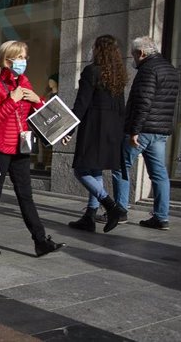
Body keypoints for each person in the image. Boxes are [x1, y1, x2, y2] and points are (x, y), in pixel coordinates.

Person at [0, 40, 65, 257]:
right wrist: (11, 100)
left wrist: (39, 100)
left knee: (26, 196)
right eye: (18, 58)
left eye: (24, 58)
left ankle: (40, 240)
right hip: (0, 147)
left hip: (21, 148)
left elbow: (41, 116)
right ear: (6, 60)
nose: (22, 62)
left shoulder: (25, 84)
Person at [111, 36, 179, 230]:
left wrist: (134, 131)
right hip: (160, 131)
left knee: (121, 167)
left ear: (141, 53)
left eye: (133, 55)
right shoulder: (170, 70)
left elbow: (143, 102)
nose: (133, 59)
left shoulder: (148, 70)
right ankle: (161, 216)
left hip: (142, 130)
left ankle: (121, 210)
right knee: (159, 174)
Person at [63, 35, 128, 233]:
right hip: (113, 129)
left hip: (94, 127)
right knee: (95, 170)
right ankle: (89, 216)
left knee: (81, 170)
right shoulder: (118, 73)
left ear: (98, 50)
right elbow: (121, 106)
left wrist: (69, 128)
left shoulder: (92, 71)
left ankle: (110, 206)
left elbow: (81, 103)